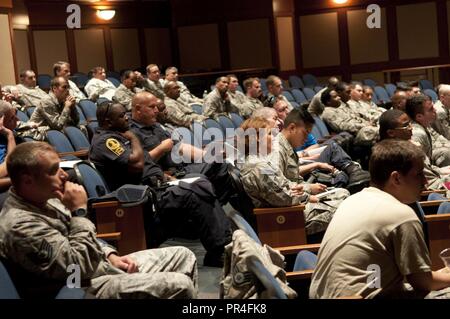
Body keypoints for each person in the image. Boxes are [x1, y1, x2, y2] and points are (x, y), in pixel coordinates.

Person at [0, 142, 198, 299]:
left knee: (183, 255)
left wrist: (110, 255)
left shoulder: (46, 197)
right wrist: (79, 212)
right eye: (53, 170)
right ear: (27, 180)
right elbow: (75, 269)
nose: (63, 175)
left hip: (99, 266)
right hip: (78, 288)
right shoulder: (20, 225)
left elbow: (86, 240)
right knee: (179, 285)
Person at [89, 101, 232, 266]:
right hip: (138, 203)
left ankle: (215, 236)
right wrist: (133, 137)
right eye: (122, 116)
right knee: (194, 190)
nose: (127, 118)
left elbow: (146, 166)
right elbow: (136, 164)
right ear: (108, 122)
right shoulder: (106, 141)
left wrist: (165, 177)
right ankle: (219, 251)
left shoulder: (119, 136)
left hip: (155, 188)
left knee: (200, 179)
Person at [309, 139, 450, 299]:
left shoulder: (353, 200)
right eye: (418, 174)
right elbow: (423, 283)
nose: (425, 181)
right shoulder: (401, 215)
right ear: (396, 178)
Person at [240, 109, 349, 237]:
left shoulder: (260, 162)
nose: (274, 138)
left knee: (344, 195)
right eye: (270, 134)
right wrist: (308, 196)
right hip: (287, 219)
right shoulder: (259, 167)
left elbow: (284, 186)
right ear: (257, 139)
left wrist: (298, 190)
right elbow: (284, 196)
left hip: (291, 210)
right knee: (346, 207)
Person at [129, 91, 235, 205]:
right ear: (138, 109)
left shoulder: (155, 126)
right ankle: (212, 206)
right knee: (201, 180)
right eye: (152, 107)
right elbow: (140, 165)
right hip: (164, 177)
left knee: (219, 162)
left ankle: (216, 204)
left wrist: (206, 154)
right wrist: (161, 149)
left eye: (156, 107)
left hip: (181, 169)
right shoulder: (131, 133)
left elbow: (180, 147)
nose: (156, 110)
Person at [18, 76, 80, 141]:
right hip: (37, 133)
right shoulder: (47, 101)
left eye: (68, 87)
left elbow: (75, 122)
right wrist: (67, 107)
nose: (67, 90)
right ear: (54, 88)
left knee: (81, 128)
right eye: (64, 87)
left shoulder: (63, 100)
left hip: (52, 132)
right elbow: (57, 126)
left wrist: (73, 107)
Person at [405, 94, 450, 167]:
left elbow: (440, 139)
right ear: (419, 116)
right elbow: (421, 167)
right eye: (431, 109)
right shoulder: (417, 134)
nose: (435, 110)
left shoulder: (426, 124)